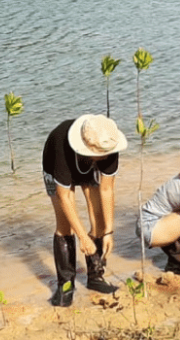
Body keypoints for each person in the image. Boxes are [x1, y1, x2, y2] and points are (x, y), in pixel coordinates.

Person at [43, 114, 127, 307]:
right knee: (65, 225)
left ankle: (95, 277)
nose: (107, 157)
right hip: (55, 162)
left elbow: (107, 189)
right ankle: (66, 286)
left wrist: (109, 232)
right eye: (102, 154)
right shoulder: (61, 149)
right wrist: (83, 237)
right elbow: (64, 198)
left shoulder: (108, 146)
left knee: (98, 220)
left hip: (88, 160)